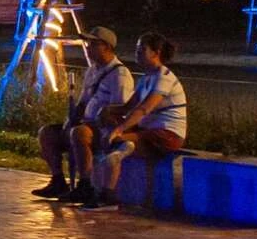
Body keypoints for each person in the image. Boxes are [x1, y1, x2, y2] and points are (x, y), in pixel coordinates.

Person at [84, 32, 188, 212]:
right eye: (136, 50)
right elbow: (128, 106)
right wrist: (108, 111)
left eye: (141, 50)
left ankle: (108, 195)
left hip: (166, 134)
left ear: (156, 53)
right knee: (109, 129)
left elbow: (144, 109)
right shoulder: (146, 78)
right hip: (148, 130)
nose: (137, 54)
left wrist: (120, 129)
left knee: (117, 142)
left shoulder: (164, 78)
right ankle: (97, 183)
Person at [34, 26, 132, 200]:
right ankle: (57, 180)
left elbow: (120, 109)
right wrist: (70, 120)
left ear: (107, 47)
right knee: (47, 133)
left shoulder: (120, 75)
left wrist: (97, 122)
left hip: (102, 129)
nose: (88, 48)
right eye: (87, 43)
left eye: (93, 44)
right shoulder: (92, 70)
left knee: (79, 133)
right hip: (86, 123)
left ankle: (85, 185)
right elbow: (83, 101)